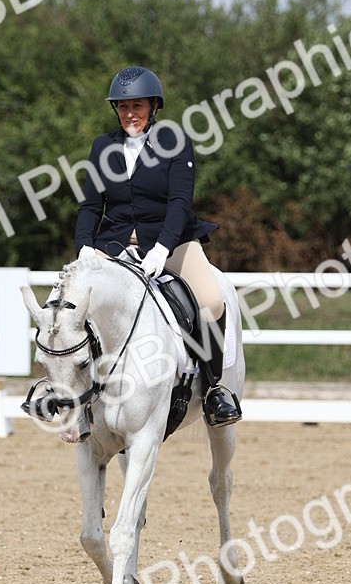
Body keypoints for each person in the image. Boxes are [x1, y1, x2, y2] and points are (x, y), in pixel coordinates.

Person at [74, 65, 242, 427]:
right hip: (114, 243)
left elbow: (180, 203)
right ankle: (73, 395)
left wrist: (162, 249)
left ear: (153, 106)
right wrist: (84, 249)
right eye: (122, 107)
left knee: (211, 300)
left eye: (136, 105)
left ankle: (215, 390)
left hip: (172, 240)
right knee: (73, 302)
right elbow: (90, 206)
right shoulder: (103, 146)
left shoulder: (175, 141)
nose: (129, 114)